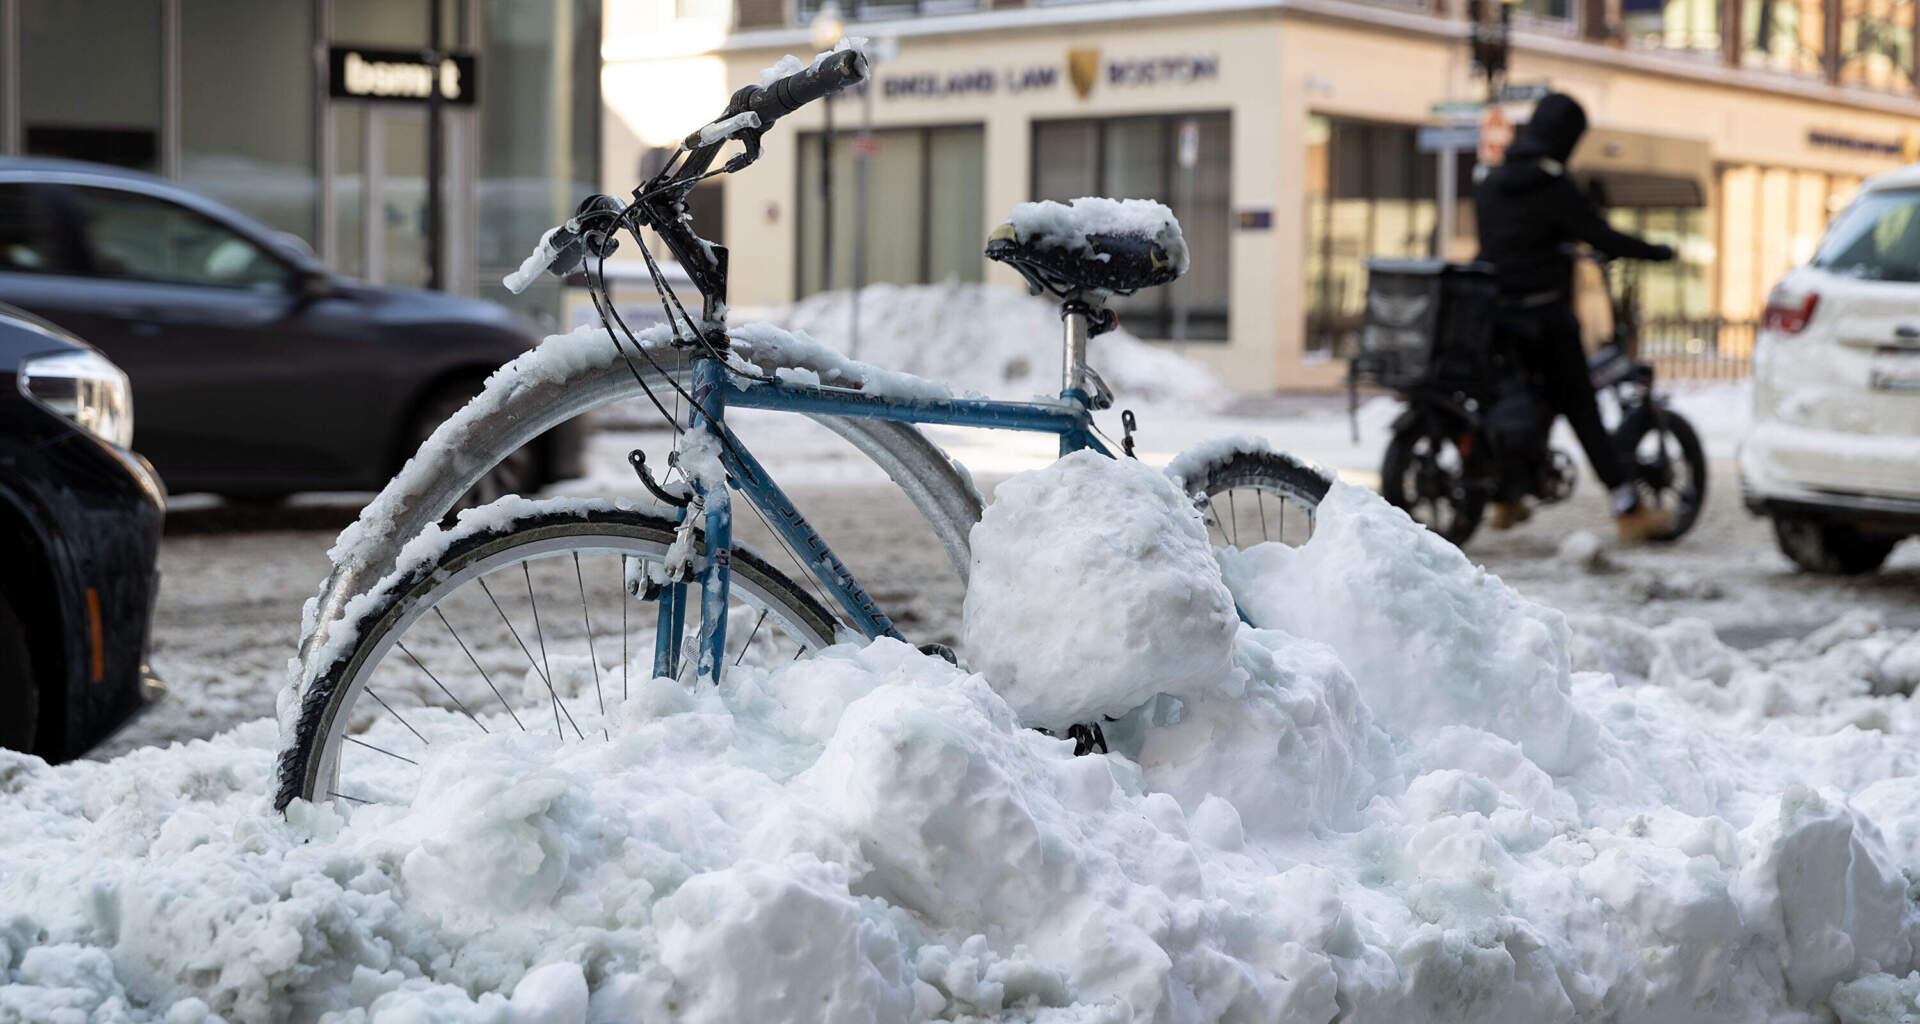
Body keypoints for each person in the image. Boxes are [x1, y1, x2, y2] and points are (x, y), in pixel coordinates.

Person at [1474, 92, 1678, 544]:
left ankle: (1508, 499)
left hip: (1499, 319)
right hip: (1546, 318)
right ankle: (1628, 508)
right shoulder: (1553, 187)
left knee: (1526, 403)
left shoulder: (1492, 181)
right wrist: (1656, 251)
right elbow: (1599, 234)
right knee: (1581, 408)